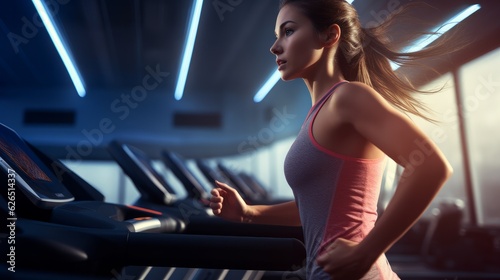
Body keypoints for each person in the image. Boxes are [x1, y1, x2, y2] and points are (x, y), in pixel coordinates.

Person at [209, 0, 453, 279]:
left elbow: (430, 166)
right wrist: (248, 213)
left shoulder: (348, 98)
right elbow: (319, 210)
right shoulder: (319, 112)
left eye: (288, 32)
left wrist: (366, 251)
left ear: (330, 35)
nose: (275, 47)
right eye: (276, 36)